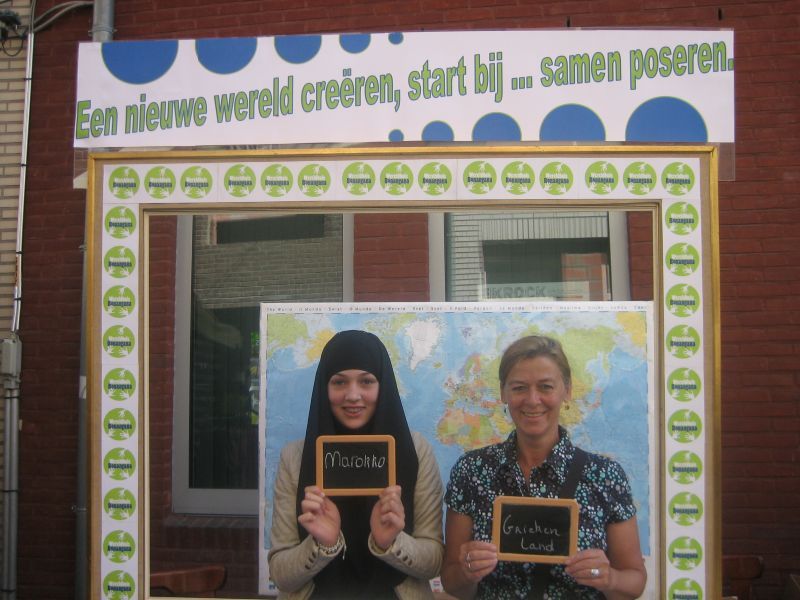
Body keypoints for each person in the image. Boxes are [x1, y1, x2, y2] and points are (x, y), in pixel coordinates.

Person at [441, 335, 646, 600]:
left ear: (567, 390)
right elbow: (452, 582)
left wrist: (609, 578)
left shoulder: (606, 476)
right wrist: (467, 572)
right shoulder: (471, 471)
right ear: (503, 393)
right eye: (519, 388)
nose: (532, 399)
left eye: (546, 387)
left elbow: (634, 582)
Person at [268, 330, 444, 599]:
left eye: (366, 381)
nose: (352, 395)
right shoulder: (295, 458)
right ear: (324, 388)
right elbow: (280, 575)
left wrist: (391, 541)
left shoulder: (416, 451)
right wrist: (321, 545)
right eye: (339, 382)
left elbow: (433, 562)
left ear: (383, 386)